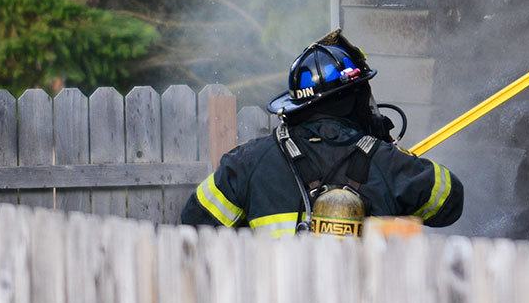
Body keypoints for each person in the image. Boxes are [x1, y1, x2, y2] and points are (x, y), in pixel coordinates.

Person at [181, 30, 462, 236]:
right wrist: (394, 158)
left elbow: (193, 225)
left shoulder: (247, 164)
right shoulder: (387, 162)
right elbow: (450, 201)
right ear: (353, 98)